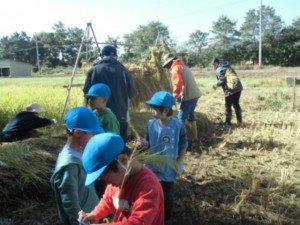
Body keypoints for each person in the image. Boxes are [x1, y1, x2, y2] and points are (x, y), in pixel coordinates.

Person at [78, 132, 165, 225]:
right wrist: (96, 214)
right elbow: (108, 201)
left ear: (123, 160)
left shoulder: (148, 187)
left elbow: (138, 222)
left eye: (105, 175)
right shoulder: (116, 181)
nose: (106, 182)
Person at [50, 106, 104, 225]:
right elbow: (70, 203)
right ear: (78, 132)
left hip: (91, 216)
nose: (93, 137)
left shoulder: (81, 151)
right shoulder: (69, 166)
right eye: (92, 134)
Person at [144, 91, 188, 225]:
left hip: (168, 167)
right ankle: (153, 216)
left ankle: (166, 219)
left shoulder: (178, 126)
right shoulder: (150, 124)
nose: (152, 111)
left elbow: (183, 144)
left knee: (167, 196)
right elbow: (147, 141)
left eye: (155, 109)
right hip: (152, 166)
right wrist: (142, 144)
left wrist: (179, 162)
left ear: (166, 110)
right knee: (152, 194)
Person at [83, 45, 136, 142]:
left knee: (99, 143)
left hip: (99, 115)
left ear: (102, 56)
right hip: (120, 114)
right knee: (119, 145)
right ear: (115, 56)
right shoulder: (124, 71)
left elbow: (86, 91)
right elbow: (131, 92)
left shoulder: (94, 70)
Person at [162, 53, 201, 141]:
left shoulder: (175, 68)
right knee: (190, 114)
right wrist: (179, 96)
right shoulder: (183, 66)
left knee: (181, 118)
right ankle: (195, 137)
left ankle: (181, 140)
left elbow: (178, 84)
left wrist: (174, 97)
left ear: (170, 62)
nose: (168, 68)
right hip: (195, 94)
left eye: (167, 66)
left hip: (189, 96)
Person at [212, 58, 243, 126]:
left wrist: (216, 85)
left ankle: (227, 122)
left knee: (228, 106)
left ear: (216, 63)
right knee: (236, 104)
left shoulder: (220, 69)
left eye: (213, 65)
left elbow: (222, 80)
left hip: (230, 90)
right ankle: (239, 121)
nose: (213, 66)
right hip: (238, 88)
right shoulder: (228, 66)